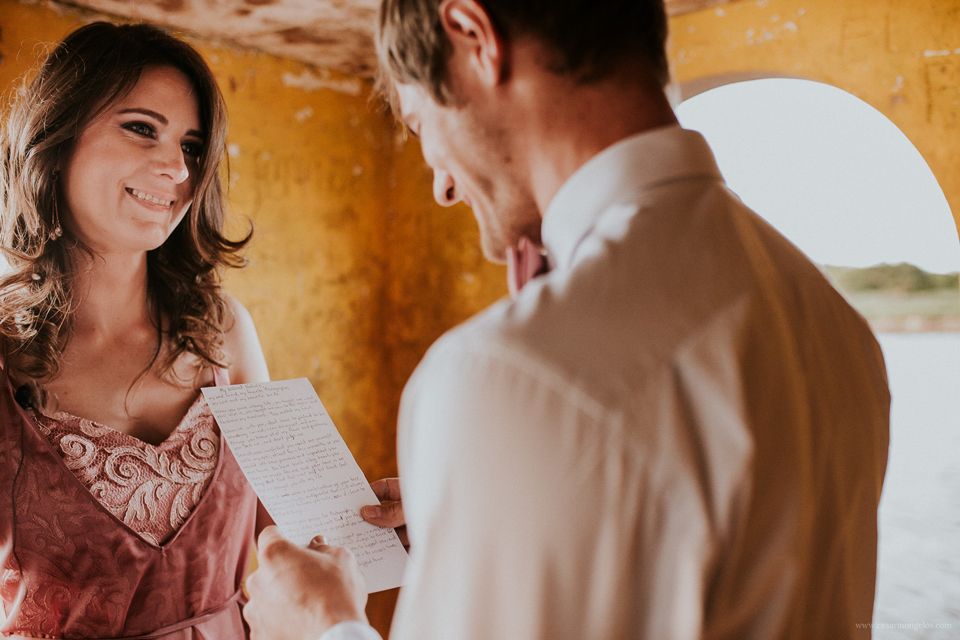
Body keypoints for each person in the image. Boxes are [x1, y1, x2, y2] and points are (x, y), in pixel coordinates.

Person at [243, 0, 891, 638]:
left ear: (475, 36)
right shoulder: (830, 317)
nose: (441, 186)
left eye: (420, 125)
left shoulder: (504, 372)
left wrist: (322, 626)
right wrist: (490, 504)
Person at [0, 21, 272, 639]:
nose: (176, 168)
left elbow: (297, 532)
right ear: (56, 138)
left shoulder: (225, 330)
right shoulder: (3, 355)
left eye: (193, 147)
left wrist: (396, 517)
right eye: (142, 128)